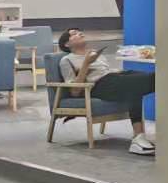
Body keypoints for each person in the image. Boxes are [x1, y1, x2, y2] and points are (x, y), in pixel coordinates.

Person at [57, 28, 155, 156]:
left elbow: (106, 71)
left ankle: (138, 138)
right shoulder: (67, 60)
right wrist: (86, 63)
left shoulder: (96, 55)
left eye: (80, 32)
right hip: (98, 86)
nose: (80, 33)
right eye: (74, 34)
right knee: (141, 82)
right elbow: (75, 91)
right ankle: (138, 138)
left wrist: (119, 72)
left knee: (145, 81)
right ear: (67, 44)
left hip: (112, 78)